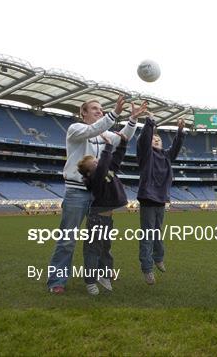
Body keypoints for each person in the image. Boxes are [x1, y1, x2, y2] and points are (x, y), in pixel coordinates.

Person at [47, 96, 147, 294]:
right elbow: (94, 129)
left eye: (101, 109)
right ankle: (57, 281)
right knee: (67, 239)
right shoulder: (75, 129)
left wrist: (132, 120)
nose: (99, 111)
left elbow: (123, 138)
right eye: (94, 108)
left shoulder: (105, 134)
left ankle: (102, 274)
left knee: (100, 239)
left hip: (100, 195)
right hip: (76, 192)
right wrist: (115, 114)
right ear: (82, 113)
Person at [136, 113, 185, 285]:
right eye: (153, 138)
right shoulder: (146, 154)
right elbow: (143, 140)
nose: (156, 140)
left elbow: (176, 148)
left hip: (161, 200)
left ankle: (158, 258)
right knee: (148, 234)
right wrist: (150, 123)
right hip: (148, 199)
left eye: (159, 139)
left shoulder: (166, 156)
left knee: (157, 232)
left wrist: (180, 131)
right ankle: (147, 268)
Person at [77, 132, 128, 295]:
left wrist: (123, 144)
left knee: (106, 249)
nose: (98, 162)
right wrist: (108, 146)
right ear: (89, 173)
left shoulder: (105, 171)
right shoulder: (95, 179)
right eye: (94, 163)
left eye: (97, 160)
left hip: (107, 219)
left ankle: (104, 275)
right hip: (97, 219)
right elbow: (105, 162)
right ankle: (90, 282)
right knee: (93, 250)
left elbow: (116, 160)